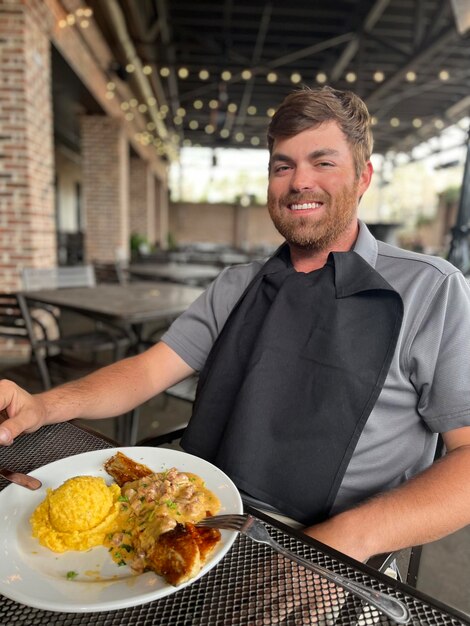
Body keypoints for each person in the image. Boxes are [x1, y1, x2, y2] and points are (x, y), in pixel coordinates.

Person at [2, 86, 470, 566]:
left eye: (323, 162)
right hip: (206, 511)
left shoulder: (430, 289)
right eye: (282, 166)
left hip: (341, 543)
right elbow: (146, 372)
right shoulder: (236, 285)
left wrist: (347, 538)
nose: (298, 182)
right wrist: (43, 405)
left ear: (363, 177)